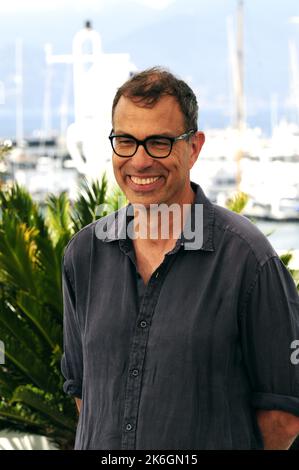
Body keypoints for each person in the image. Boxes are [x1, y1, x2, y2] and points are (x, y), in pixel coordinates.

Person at [61, 66, 299, 450]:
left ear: (194, 147)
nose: (139, 161)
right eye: (126, 141)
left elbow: (283, 416)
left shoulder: (248, 261)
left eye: (159, 142)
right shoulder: (84, 255)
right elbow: (86, 394)